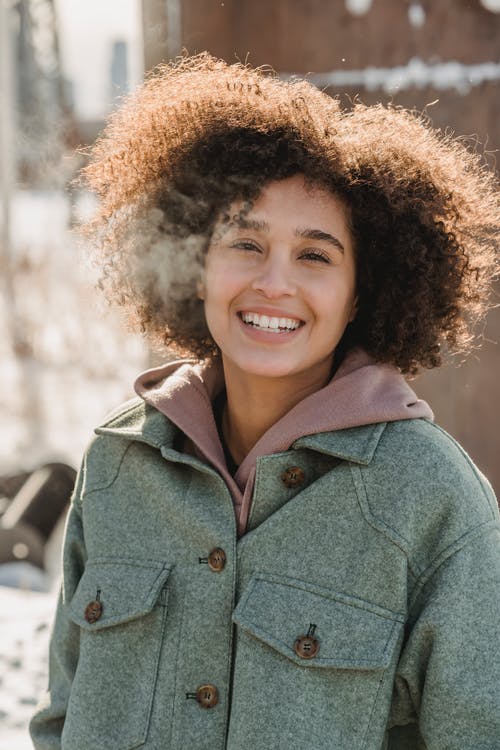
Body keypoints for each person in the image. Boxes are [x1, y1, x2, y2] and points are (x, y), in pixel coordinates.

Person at [30, 53, 500, 750]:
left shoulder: (429, 496)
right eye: (245, 243)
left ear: (362, 293)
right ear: (196, 269)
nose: (274, 283)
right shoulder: (117, 464)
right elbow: (62, 716)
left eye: (315, 256)